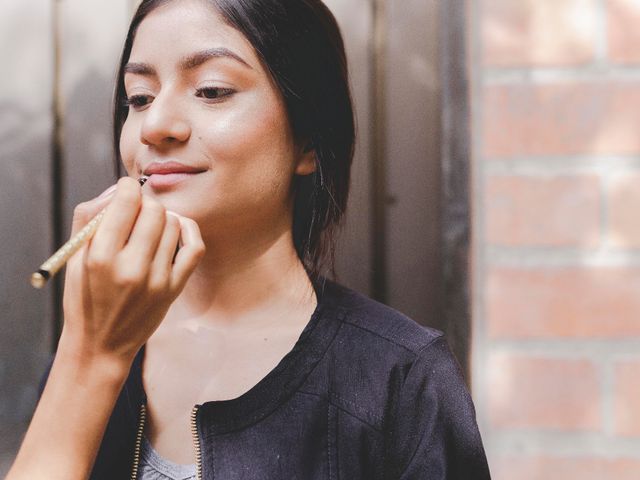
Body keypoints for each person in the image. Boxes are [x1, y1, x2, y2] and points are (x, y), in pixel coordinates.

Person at [7, 0, 491, 478]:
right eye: (139, 98)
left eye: (212, 90)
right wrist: (88, 358)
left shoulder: (402, 379)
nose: (154, 127)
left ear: (309, 142)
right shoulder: (94, 346)